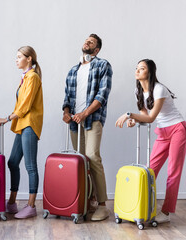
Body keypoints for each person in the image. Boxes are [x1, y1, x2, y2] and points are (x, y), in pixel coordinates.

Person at [115, 59, 186, 223]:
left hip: (177, 129)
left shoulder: (159, 89)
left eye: (142, 68)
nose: (137, 71)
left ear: (150, 72)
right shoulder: (138, 91)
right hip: (162, 131)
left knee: (173, 172)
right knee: (150, 171)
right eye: (137, 68)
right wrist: (134, 120)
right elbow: (144, 116)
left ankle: (166, 212)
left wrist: (129, 115)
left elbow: (151, 117)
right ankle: (142, 205)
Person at [62, 34, 113, 221]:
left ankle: (102, 205)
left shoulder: (102, 65)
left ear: (97, 50)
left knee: (92, 157)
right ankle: (87, 200)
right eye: (86, 40)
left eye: (91, 42)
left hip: (93, 119)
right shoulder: (73, 70)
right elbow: (67, 97)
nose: (87, 43)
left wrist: (85, 113)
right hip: (75, 122)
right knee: (79, 161)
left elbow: (102, 95)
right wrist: (66, 113)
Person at [0, 46, 43, 219]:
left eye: (19, 57)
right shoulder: (25, 77)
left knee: (30, 165)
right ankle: (11, 203)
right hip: (22, 125)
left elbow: (25, 105)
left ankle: (31, 206)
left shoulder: (32, 77)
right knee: (12, 163)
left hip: (30, 124)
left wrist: (8, 118)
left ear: (29, 58)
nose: (16, 60)